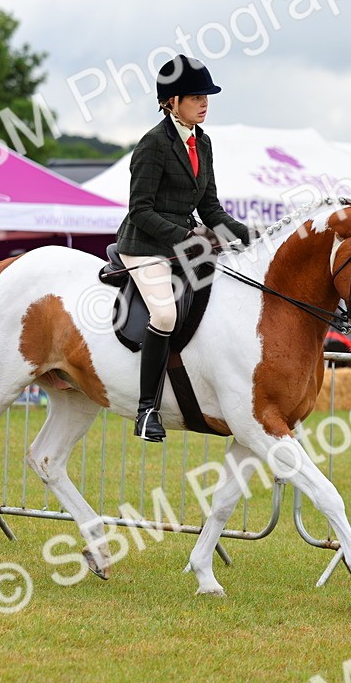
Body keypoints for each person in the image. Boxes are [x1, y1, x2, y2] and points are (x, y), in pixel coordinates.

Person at [115, 55, 254, 442]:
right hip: (144, 246)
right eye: (195, 97)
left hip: (182, 245)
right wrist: (186, 237)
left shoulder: (202, 142)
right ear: (170, 101)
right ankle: (147, 411)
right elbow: (140, 210)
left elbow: (208, 206)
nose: (204, 103)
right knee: (163, 315)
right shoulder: (153, 144)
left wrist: (248, 235)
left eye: (206, 96)